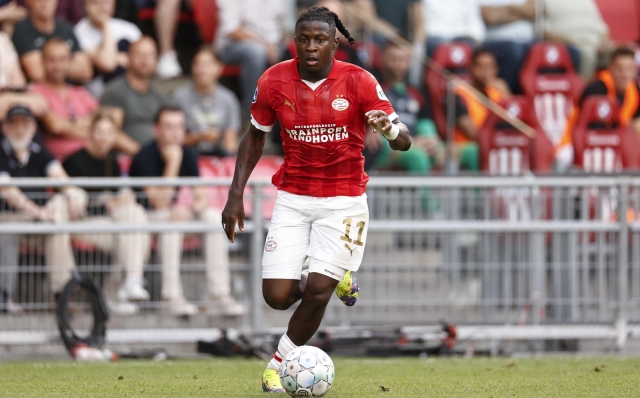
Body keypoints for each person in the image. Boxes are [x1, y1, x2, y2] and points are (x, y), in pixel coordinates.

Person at [220, 6, 412, 392]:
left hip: (344, 201)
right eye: (303, 39)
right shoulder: (274, 80)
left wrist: (389, 128)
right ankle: (334, 272)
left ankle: (278, 363)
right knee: (277, 297)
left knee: (318, 291)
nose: (311, 47)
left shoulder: (358, 81)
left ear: (335, 43)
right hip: (293, 198)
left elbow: (404, 140)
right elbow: (255, 136)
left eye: (320, 39)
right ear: (295, 41)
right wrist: (235, 194)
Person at [129, 105, 246, 317]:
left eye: (180, 127)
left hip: (170, 215)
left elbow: (201, 196)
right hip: (142, 220)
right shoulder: (144, 155)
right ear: (156, 130)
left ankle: (219, 295)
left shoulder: (188, 153)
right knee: (172, 221)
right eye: (169, 127)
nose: (175, 133)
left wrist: (190, 207)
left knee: (212, 218)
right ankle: (171, 297)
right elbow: (159, 202)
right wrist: (173, 162)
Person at [62, 108, 151, 312]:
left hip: (108, 220)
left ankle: (129, 282)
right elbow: (74, 208)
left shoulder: (112, 161)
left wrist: (121, 200)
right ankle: (117, 290)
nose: (104, 138)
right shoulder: (74, 161)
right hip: (81, 221)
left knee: (134, 217)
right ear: (91, 133)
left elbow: (118, 194)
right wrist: (108, 204)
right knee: (134, 233)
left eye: (109, 133)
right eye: (100, 132)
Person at [0, 105, 87, 311]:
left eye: (25, 124)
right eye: (15, 125)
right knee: (8, 232)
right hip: (8, 218)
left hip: (41, 220)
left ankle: (62, 294)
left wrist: (72, 193)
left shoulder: (39, 151)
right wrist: (38, 213)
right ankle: (5, 298)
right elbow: (7, 191)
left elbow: (58, 175)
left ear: (33, 128)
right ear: (5, 128)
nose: (20, 130)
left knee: (59, 213)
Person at [30, 37, 138, 159]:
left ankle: (141, 154)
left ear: (70, 61)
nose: (57, 65)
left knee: (108, 132)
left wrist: (72, 126)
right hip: (62, 163)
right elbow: (56, 126)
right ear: (42, 61)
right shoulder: (36, 92)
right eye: (52, 60)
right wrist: (92, 126)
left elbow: (110, 119)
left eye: (62, 59)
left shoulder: (79, 92)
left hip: (93, 157)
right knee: (104, 132)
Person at [365, 41, 442, 173]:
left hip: (415, 141)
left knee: (443, 149)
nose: (398, 65)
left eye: (403, 59)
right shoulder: (371, 85)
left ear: (410, 61)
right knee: (417, 156)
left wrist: (431, 139)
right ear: (383, 58)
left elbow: (426, 123)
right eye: (393, 59)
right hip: (386, 146)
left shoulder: (417, 92)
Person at [556, 47, 640, 163]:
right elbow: (587, 128)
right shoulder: (597, 89)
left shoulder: (635, 90)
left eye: (630, 69)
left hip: (613, 140)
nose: (625, 75)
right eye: (620, 69)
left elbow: (636, 123)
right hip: (575, 139)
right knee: (564, 157)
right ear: (610, 68)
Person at [215, 0, 290, 115]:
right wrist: (265, 46)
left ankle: (290, 116)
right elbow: (231, 30)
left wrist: (282, 45)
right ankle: (253, 115)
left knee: (294, 50)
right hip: (231, 47)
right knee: (255, 53)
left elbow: (284, 28)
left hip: (272, 46)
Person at [172, 47, 240, 157]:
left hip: (219, 158)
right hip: (186, 158)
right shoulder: (180, 98)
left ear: (219, 67)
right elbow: (172, 139)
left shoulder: (228, 99)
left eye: (207, 64)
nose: (202, 69)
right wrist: (200, 137)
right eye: (197, 64)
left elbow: (230, 141)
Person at [100, 36, 167, 147]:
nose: (144, 59)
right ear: (128, 57)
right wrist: (141, 155)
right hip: (127, 158)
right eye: (139, 54)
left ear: (156, 61)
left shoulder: (160, 96)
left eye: (150, 55)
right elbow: (110, 133)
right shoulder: (114, 92)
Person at [452, 48, 511, 171]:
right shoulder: (460, 94)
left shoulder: (498, 93)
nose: (486, 72)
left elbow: (514, 122)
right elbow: (472, 132)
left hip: (495, 145)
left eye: (490, 67)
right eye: (481, 67)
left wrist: (506, 95)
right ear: (471, 68)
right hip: (468, 148)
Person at [11, 0, 92, 83]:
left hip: (73, 89)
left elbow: (86, 71)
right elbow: (37, 73)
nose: (44, 3)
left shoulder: (66, 27)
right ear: (28, 2)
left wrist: (51, 65)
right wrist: (68, 62)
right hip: (41, 91)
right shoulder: (22, 30)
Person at [73, 0, 142, 97]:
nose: (103, 8)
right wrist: (105, 25)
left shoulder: (129, 29)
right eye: (98, 3)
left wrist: (102, 55)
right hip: (100, 96)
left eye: (107, 3)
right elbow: (108, 64)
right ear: (87, 5)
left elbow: (145, 62)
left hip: (135, 92)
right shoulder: (78, 33)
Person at [544, 0, 612, 80]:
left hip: (597, 43)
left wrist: (603, 43)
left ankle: (616, 90)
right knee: (588, 54)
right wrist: (574, 42)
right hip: (572, 43)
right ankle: (585, 90)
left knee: (622, 53)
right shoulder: (545, 2)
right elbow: (545, 32)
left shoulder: (587, 1)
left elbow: (603, 28)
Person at [479, 0, 536, 93]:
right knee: (513, 51)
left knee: (544, 51)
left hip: (528, 41)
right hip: (497, 40)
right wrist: (523, 13)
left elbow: (535, 10)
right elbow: (490, 17)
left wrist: (507, 10)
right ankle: (509, 97)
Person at [0, 31, 48, 120]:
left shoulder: (2, 39)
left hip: (10, 95)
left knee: (40, 102)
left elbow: (18, 83)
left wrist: (8, 99)